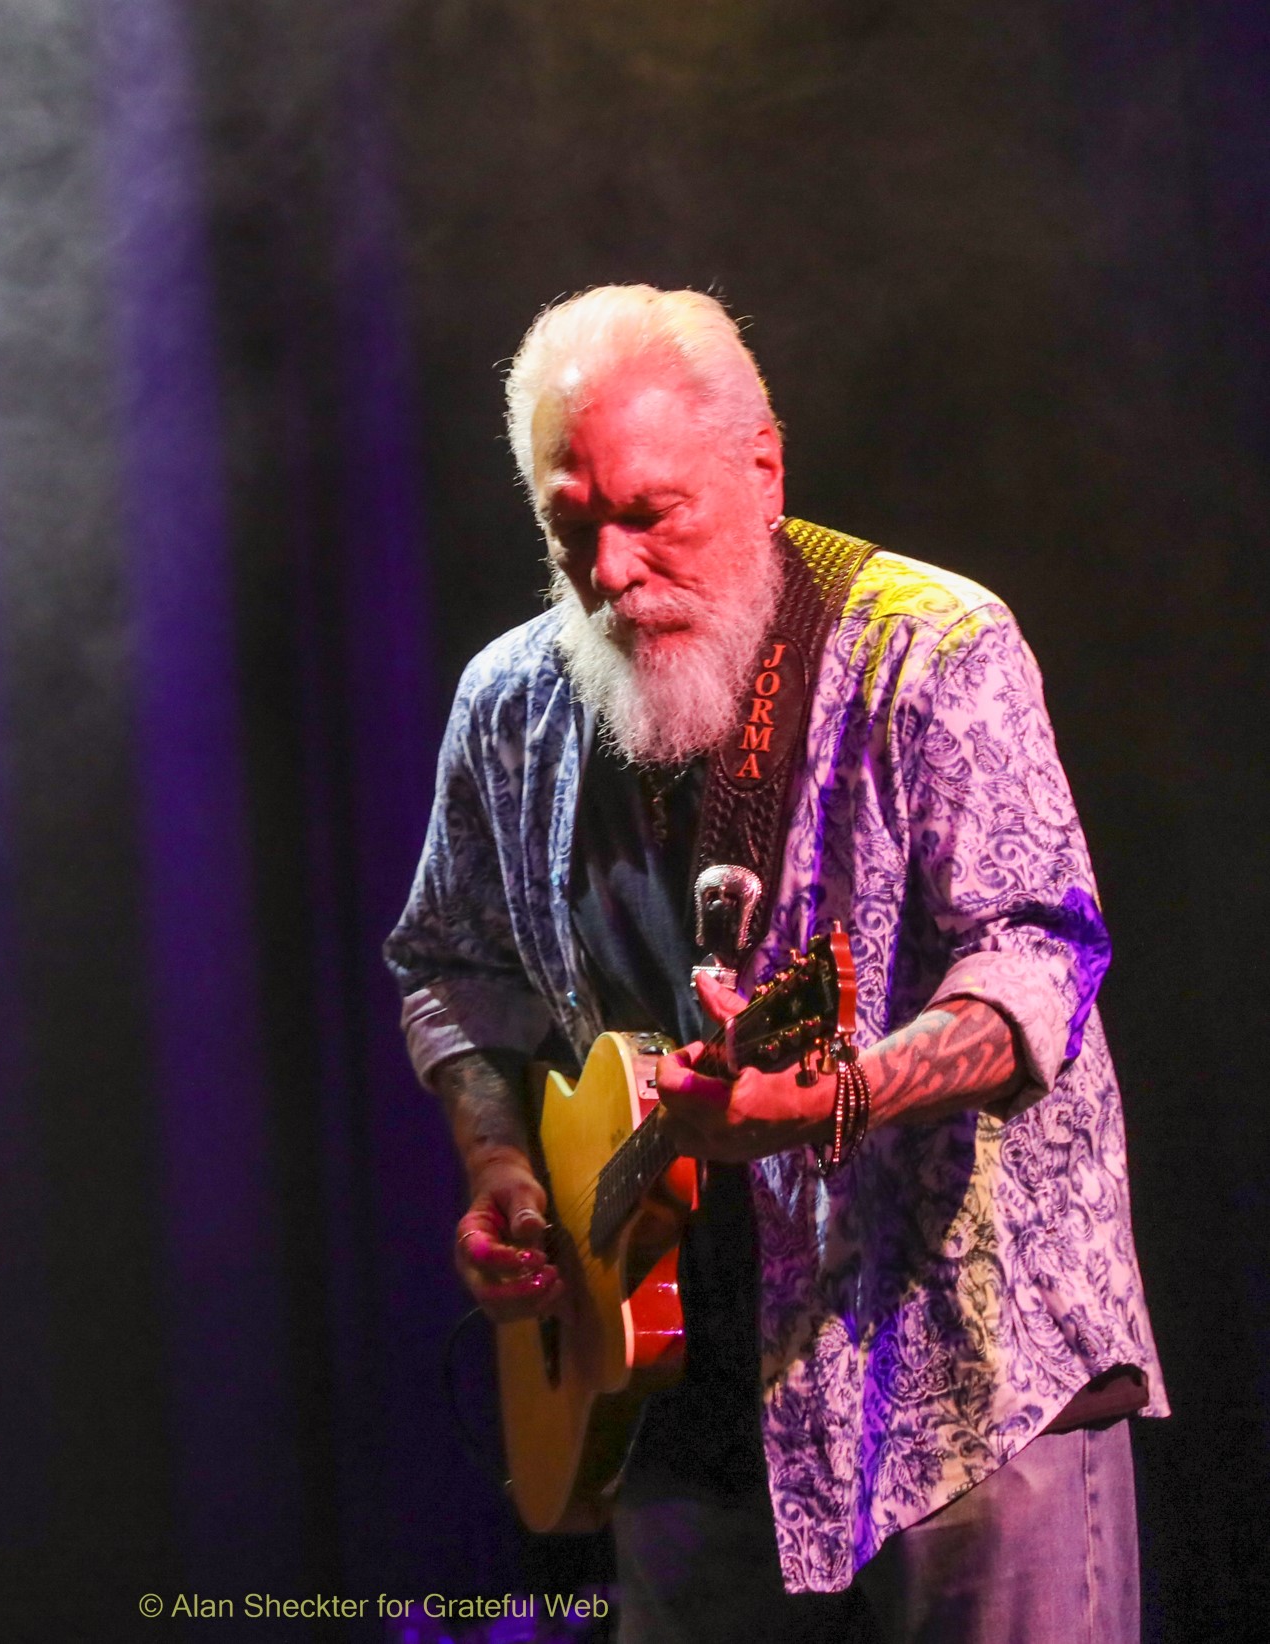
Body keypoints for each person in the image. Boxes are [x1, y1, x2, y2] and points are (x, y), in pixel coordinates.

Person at [385, 284, 1166, 1643]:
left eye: (651, 513)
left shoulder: (934, 647)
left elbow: (1035, 952)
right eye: (570, 527)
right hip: (679, 1419)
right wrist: (506, 1174)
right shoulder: (506, 707)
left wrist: (835, 1098)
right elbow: (449, 973)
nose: (612, 572)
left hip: (959, 1399)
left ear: (763, 467)